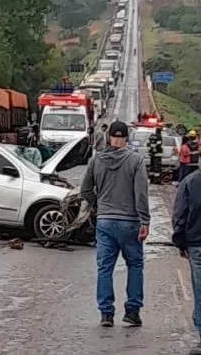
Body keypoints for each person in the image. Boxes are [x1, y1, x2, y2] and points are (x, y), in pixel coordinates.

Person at [80, 120, 150, 328]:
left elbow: (85, 190)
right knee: (135, 265)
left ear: (109, 137)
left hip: (105, 221)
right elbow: (141, 193)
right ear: (127, 138)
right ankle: (132, 310)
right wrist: (144, 220)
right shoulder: (136, 161)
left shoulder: (96, 161)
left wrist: (98, 205)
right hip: (129, 222)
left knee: (104, 268)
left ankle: (106, 314)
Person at [172, 169, 201, 355]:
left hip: (197, 243)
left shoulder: (190, 181)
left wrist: (180, 242)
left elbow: (180, 215)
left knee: (200, 290)